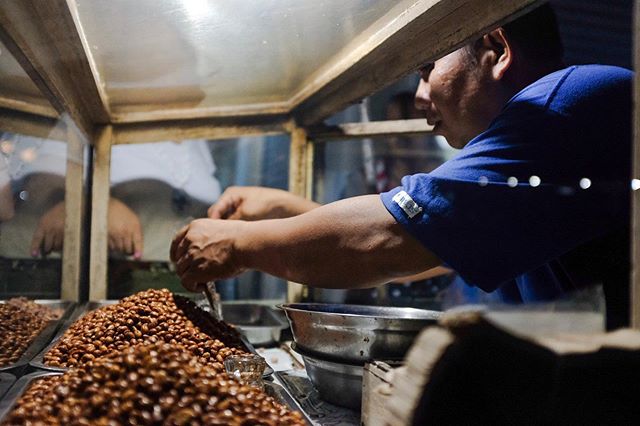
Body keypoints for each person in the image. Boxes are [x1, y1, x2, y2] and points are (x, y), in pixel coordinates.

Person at [171, 4, 632, 329]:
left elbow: (388, 242)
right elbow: (427, 249)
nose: (419, 96)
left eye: (429, 67)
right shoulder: (543, 155)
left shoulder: (572, 101)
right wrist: (286, 211)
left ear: (496, 48)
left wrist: (239, 243)